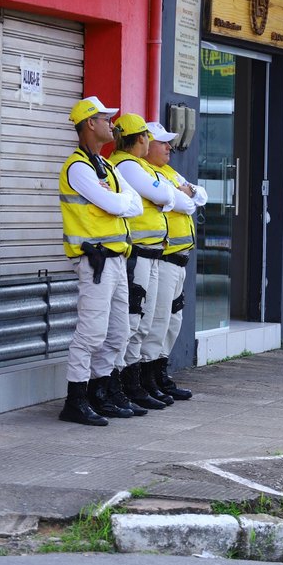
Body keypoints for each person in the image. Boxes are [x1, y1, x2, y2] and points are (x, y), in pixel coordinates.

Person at [58, 97, 144, 426]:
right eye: (105, 119)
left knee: (119, 332)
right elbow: (113, 202)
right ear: (90, 124)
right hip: (95, 262)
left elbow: (130, 205)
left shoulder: (106, 166)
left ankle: (101, 392)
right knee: (91, 333)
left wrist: (119, 202)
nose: (112, 124)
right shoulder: (78, 167)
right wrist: (119, 202)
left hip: (116, 260)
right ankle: (76, 400)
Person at [109, 113, 177, 411]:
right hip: (137, 255)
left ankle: (133, 383)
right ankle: (124, 384)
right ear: (140, 139)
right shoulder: (126, 165)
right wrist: (166, 196)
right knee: (133, 322)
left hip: (151, 255)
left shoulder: (135, 165)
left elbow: (169, 197)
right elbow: (161, 196)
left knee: (145, 320)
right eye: (148, 137)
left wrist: (166, 196)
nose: (152, 143)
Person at [142, 121, 207, 400]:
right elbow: (184, 203)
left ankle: (160, 373)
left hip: (180, 259)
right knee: (158, 320)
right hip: (164, 257)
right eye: (163, 143)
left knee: (173, 319)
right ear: (146, 146)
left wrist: (187, 194)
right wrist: (185, 196)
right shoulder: (146, 172)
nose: (169, 147)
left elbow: (200, 196)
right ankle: (147, 378)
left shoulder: (168, 171)